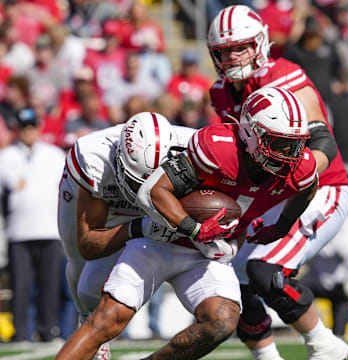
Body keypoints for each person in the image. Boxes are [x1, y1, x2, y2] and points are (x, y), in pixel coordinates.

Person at [55, 86, 317, 360]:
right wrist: (194, 229)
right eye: (280, 143)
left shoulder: (299, 167)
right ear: (251, 134)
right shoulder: (216, 148)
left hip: (201, 251)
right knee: (106, 316)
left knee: (222, 320)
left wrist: (279, 228)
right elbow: (152, 191)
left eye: (296, 143)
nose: (291, 153)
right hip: (159, 238)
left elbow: (306, 187)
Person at [207, 5, 348, 360]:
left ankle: (326, 347)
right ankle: (266, 357)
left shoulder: (284, 77)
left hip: (319, 188)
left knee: (263, 271)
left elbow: (323, 145)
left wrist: (301, 179)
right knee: (227, 276)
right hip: (270, 195)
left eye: (241, 47)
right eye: (225, 49)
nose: (233, 56)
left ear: (260, 44)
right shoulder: (220, 92)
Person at [57, 112, 196, 359]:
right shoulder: (94, 158)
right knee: (79, 264)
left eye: (151, 184)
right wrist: (138, 227)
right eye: (138, 183)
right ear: (119, 161)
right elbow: (88, 245)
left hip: (158, 189)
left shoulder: (193, 148)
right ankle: (89, 323)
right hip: (102, 195)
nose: (144, 194)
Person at [0, 108, 65, 342]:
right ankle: (21, 332)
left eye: (32, 126)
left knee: (50, 285)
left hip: (49, 229)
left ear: (39, 127)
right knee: (21, 285)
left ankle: (48, 329)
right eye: (24, 127)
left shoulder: (54, 154)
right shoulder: (6, 156)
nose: (28, 131)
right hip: (19, 230)